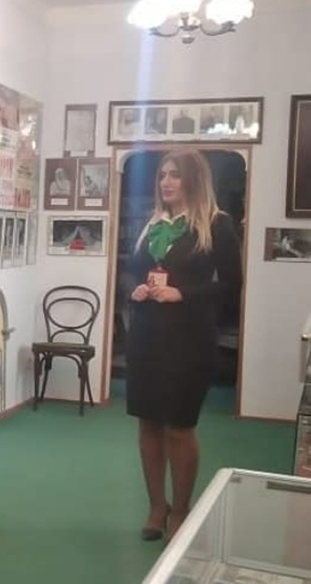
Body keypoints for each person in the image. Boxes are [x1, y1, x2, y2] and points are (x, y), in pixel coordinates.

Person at [126, 148, 242, 542]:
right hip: (147, 336)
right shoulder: (153, 224)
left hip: (189, 339)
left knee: (179, 426)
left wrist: (184, 294)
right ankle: (156, 507)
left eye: (175, 175)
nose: (166, 182)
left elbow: (232, 285)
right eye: (163, 175)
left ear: (194, 180)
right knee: (148, 423)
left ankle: (180, 509)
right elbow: (132, 271)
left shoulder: (217, 224)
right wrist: (136, 289)